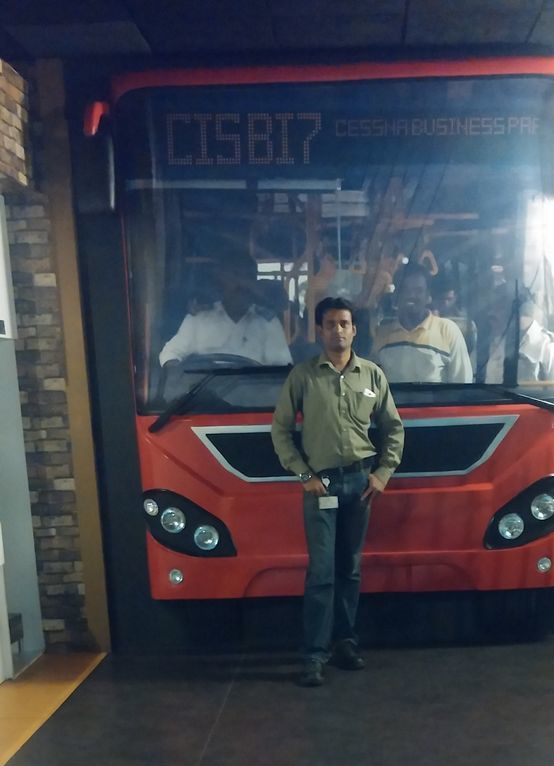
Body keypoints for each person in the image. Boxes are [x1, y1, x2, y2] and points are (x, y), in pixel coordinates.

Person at [271, 296, 404, 687]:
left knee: (350, 569)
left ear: (354, 329)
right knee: (322, 573)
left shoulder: (373, 376)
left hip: (361, 485)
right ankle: (314, 654)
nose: (338, 330)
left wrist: (382, 473)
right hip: (321, 487)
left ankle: (345, 642)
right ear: (320, 331)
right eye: (330, 324)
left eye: (345, 323)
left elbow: (393, 429)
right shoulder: (303, 376)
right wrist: (302, 474)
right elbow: (280, 431)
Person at [158, 254, 292, 379]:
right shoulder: (198, 319)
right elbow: (170, 354)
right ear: (220, 280)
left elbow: (281, 371)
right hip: (204, 399)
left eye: (248, 277)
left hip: (256, 400)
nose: (242, 284)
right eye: (235, 275)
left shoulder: (268, 323)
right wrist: (179, 377)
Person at [371, 263, 473, 384]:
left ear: (428, 296)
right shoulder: (381, 334)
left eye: (418, 291)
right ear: (395, 296)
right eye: (405, 290)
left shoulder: (448, 331)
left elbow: (462, 384)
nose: (411, 296)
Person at [476, 282, 554, 388]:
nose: (490, 313)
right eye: (491, 307)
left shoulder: (548, 347)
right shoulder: (494, 343)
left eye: (499, 307)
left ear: (518, 310)